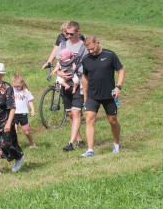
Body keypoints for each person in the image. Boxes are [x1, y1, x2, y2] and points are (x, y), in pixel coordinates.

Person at [79, 35, 125, 157]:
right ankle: (90, 150)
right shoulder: (86, 59)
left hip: (109, 95)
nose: (91, 51)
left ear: (98, 43)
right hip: (92, 95)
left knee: (113, 121)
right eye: (88, 50)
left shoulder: (110, 55)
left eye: (93, 48)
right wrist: (85, 95)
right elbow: (84, 77)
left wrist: (118, 87)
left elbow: (120, 70)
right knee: (89, 119)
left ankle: (116, 144)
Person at [48, 21, 87, 152]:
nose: (67, 36)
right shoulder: (63, 44)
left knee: (76, 112)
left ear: (78, 32)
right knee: (70, 113)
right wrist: (59, 73)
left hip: (78, 83)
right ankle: (79, 139)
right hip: (66, 85)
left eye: (70, 34)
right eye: (65, 33)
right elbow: (58, 61)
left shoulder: (84, 47)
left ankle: (70, 143)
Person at [10, 73, 37, 148]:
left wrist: (32, 110)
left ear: (22, 84)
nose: (17, 88)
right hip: (14, 114)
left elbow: (30, 101)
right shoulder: (11, 91)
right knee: (13, 131)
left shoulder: (26, 91)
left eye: (18, 86)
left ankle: (32, 143)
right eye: (15, 86)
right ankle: (14, 145)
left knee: (26, 132)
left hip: (23, 114)